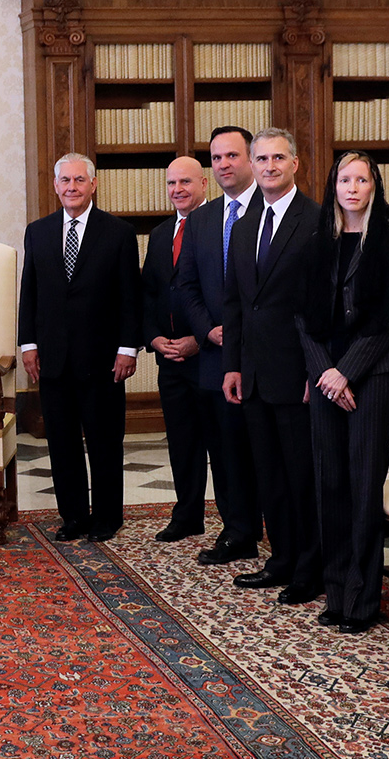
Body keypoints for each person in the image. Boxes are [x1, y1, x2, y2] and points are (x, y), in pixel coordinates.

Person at [297, 152, 389, 633]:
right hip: (325, 379)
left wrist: (345, 373)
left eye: (361, 180)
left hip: (371, 379)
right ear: (334, 187)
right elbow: (301, 318)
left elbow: (387, 320)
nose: (352, 188)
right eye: (344, 180)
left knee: (364, 487)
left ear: (374, 187)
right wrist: (325, 373)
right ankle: (336, 595)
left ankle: (363, 600)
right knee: (328, 487)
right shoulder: (317, 241)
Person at [222, 128, 323, 605]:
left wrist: (314, 370)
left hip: (298, 374)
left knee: (302, 477)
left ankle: (309, 569)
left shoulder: (316, 221)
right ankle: (281, 559)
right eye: (261, 159)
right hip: (254, 373)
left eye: (278, 158)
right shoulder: (245, 224)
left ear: (295, 164)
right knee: (269, 476)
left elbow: (321, 307)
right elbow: (236, 302)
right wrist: (233, 365)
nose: (269, 166)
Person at [19, 154, 140, 543]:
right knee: (62, 442)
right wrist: (28, 344)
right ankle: (73, 517)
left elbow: (129, 296)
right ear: (56, 186)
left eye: (79, 180)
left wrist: (128, 348)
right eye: (65, 180)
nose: (71, 187)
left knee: (104, 442)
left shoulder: (119, 233)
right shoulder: (38, 232)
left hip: (103, 359)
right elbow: (29, 292)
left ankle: (107, 517)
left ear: (93, 184)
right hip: (53, 358)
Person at [177, 126, 263, 566]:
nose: (224, 164)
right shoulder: (202, 219)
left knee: (266, 452)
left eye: (232, 155)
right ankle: (237, 532)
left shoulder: (272, 210)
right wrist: (207, 330)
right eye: (216, 158)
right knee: (225, 453)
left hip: (265, 357)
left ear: (250, 159)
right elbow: (187, 285)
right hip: (215, 357)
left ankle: (282, 533)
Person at [141, 157, 213, 542]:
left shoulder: (220, 226)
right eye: (171, 183)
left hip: (210, 357)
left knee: (223, 446)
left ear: (204, 183)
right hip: (169, 359)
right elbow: (150, 293)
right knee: (182, 443)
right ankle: (187, 516)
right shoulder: (160, 234)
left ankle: (238, 523)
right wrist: (154, 338)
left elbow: (225, 295)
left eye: (185, 182)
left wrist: (199, 340)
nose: (178, 190)